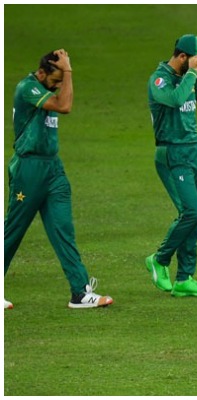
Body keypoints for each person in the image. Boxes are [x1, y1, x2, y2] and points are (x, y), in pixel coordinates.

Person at [4, 49, 113, 309]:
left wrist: (64, 75)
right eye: (55, 81)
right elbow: (65, 107)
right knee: (13, 232)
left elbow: (63, 101)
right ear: (42, 73)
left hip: (53, 168)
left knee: (63, 230)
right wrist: (69, 71)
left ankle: (80, 292)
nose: (58, 87)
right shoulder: (27, 88)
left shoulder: (48, 87)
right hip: (29, 169)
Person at [145, 34, 197, 297]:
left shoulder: (187, 77)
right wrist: (192, 73)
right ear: (182, 57)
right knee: (191, 212)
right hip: (172, 153)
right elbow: (175, 99)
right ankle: (159, 259)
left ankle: (184, 278)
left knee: (195, 217)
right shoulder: (160, 80)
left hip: (193, 151)